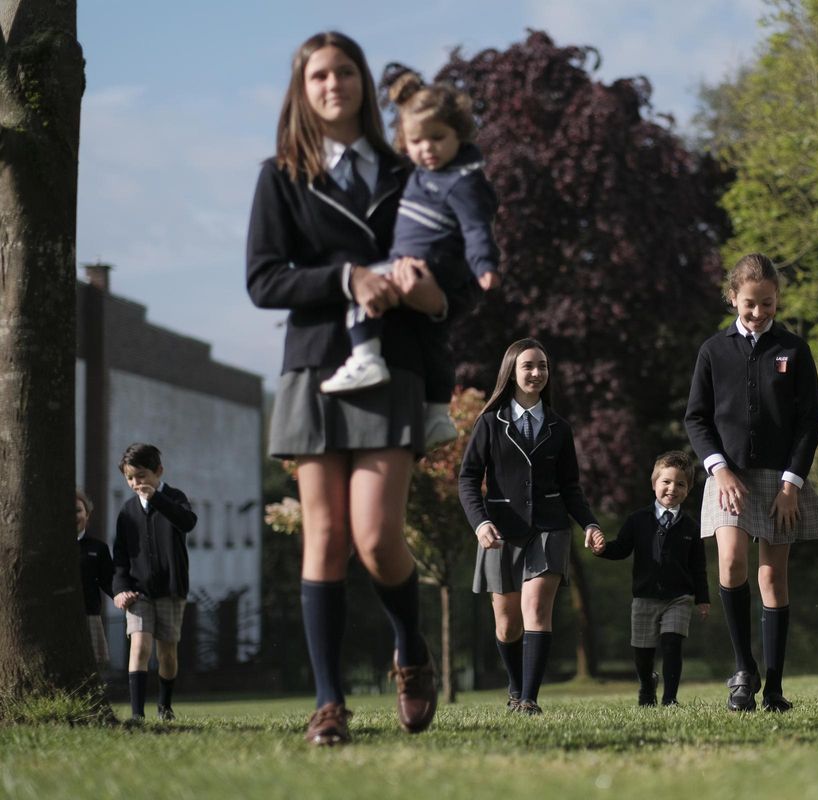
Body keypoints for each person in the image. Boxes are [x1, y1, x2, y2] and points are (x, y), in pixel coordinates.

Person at [246, 31, 449, 745]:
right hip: (313, 366)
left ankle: (411, 651)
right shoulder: (280, 176)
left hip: (391, 367)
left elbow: (444, 264)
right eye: (319, 75)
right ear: (303, 90)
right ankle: (330, 704)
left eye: (345, 72)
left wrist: (432, 298)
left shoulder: (410, 169)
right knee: (324, 537)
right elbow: (263, 279)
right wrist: (344, 278)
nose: (334, 84)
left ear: (363, 82)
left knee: (375, 537)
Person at [320, 65, 501, 451]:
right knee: (432, 339)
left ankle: (366, 357)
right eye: (417, 141)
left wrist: (484, 266)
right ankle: (437, 415)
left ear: (459, 135)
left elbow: (476, 229)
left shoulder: (462, 182)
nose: (427, 150)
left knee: (364, 285)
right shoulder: (419, 173)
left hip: (424, 266)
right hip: (423, 270)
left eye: (437, 138)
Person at [684, 253, 818, 713]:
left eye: (768, 303)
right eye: (750, 303)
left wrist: (791, 485)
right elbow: (696, 418)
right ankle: (742, 670)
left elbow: (809, 423)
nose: (759, 312)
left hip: (780, 479)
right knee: (730, 565)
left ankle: (776, 685)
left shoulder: (794, 349)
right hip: (727, 476)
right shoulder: (713, 350)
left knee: (773, 577)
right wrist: (718, 468)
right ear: (733, 298)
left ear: (777, 300)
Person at [458, 338, 606, 715]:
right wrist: (480, 523)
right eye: (529, 366)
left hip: (550, 528)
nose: (537, 373)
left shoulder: (559, 428)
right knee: (507, 626)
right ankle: (515, 686)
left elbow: (571, 487)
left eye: (542, 366)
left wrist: (588, 523)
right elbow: (468, 480)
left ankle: (529, 700)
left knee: (536, 610)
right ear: (512, 371)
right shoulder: (490, 423)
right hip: (500, 532)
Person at [595, 450, 709, 707]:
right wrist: (602, 550)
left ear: (688, 490)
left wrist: (702, 599)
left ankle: (670, 698)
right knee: (643, 652)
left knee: (672, 645)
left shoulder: (691, 527)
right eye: (666, 482)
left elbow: (698, 567)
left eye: (680, 484)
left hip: (679, 598)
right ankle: (648, 686)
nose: (672, 488)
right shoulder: (638, 520)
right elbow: (621, 549)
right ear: (654, 484)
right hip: (644, 596)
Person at [111, 444, 196, 722]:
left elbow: (187, 522)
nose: (137, 483)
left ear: (158, 471)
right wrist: (120, 588)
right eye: (130, 478)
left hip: (171, 590)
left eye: (142, 475)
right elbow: (121, 556)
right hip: (139, 592)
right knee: (140, 646)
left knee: (167, 653)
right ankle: (137, 714)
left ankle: (165, 705)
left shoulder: (174, 499)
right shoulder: (126, 512)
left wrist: (157, 498)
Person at [76, 487, 114, 668]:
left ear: (87, 514)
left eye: (78, 511)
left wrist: (126, 597)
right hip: (57, 618)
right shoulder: (51, 548)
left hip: (89, 614)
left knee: (91, 668)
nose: (74, 516)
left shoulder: (98, 548)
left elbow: (109, 581)